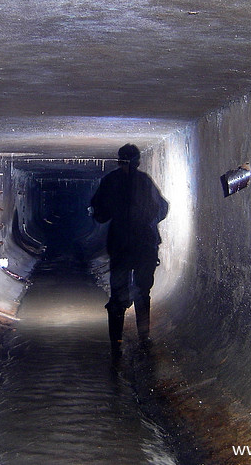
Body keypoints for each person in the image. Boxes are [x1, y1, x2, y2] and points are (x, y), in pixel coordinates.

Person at [90, 144, 168, 355]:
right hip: (144, 245)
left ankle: (116, 344)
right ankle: (143, 339)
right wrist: (148, 223)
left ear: (119, 161)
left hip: (122, 246)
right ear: (138, 161)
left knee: (119, 297)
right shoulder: (144, 181)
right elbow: (162, 208)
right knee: (142, 292)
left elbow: (99, 213)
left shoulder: (111, 181)